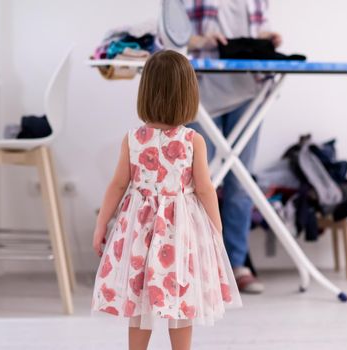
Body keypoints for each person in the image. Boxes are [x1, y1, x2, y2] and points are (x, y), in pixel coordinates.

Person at [91, 50, 242, 350]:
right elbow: (204, 189)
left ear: (145, 92)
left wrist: (101, 225)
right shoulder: (192, 141)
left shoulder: (133, 139)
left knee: (138, 299)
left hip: (139, 233)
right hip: (180, 233)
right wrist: (216, 230)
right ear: (188, 94)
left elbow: (118, 185)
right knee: (180, 299)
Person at [184, 0, 281, 294]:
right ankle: (195, 265)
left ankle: (235, 265)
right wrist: (201, 41)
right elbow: (166, 39)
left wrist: (266, 39)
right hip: (200, 90)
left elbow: (256, 27)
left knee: (241, 180)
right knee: (197, 182)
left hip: (248, 90)